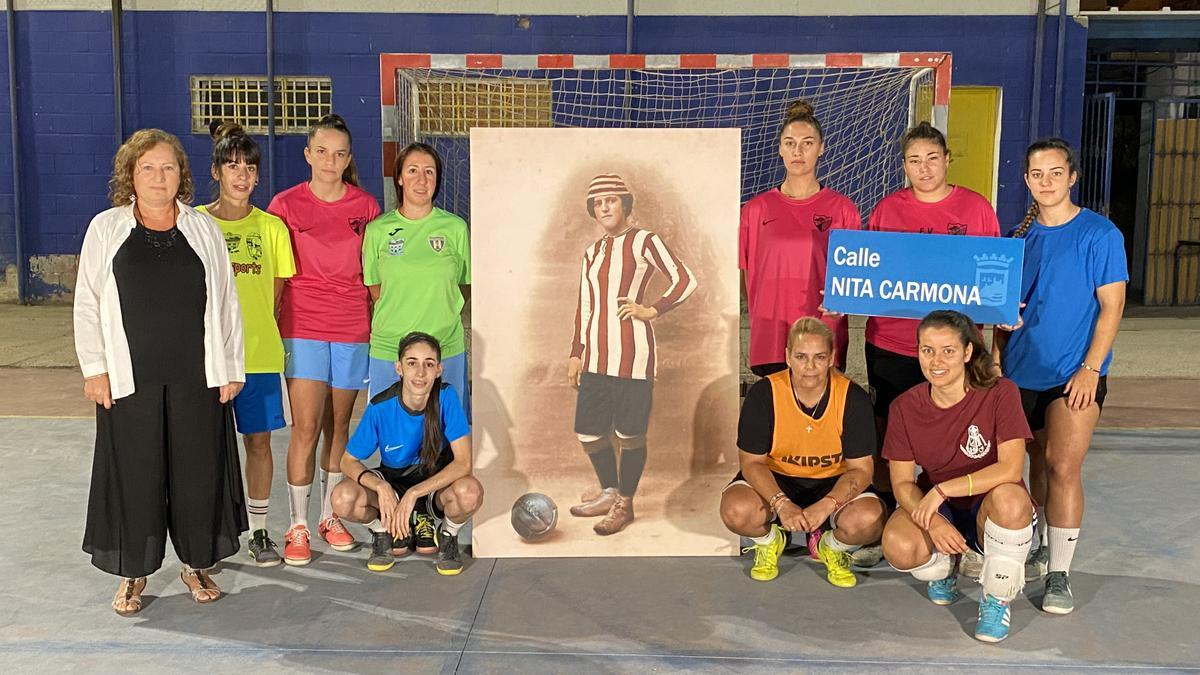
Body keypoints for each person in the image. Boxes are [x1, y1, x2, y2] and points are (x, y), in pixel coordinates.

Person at [75, 128, 246, 614]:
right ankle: (134, 573)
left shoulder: (202, 228)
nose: (158, 176)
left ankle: (195, 564)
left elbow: (226, 303)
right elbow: (87, 303)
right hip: (130, 378)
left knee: (197, 471)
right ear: (130, 174)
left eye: (168, 167)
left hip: (197, 373)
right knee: (136, 473)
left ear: (181, 176)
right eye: (147, 167)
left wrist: (230, 366)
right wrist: (95, 368)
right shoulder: (106, 228)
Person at [993, 138, 1127, 615]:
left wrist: (1091, 369)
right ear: (1027, 180)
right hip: (1019, 374)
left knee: (1063, 465)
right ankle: (1041, 544)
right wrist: (997, 353)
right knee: (1033, 465)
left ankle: (1059, 574)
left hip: (1076, 374)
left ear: (1072, 176)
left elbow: (1112, 306)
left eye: (1055, 173)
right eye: (1036, 174)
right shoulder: (1018, 239)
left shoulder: (1100, 234)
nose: (1045, 182)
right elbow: (1004, 313)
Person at [865, 122, 1001, 501]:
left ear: (947, 160)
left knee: (961, 434)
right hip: (893, 344)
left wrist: (996, 334)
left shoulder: (976, 209)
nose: (923, 168)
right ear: (903, 166)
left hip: (954, 349)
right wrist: (843, 296)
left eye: (932, 159)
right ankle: (892, 513)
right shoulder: (887, 210)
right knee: (890, 432)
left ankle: (963, 514)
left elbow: (993, 274)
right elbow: (868, 272)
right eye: (914, 160)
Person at [268, 114, 382, 565]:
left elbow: (374, 275)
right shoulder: (285, 205)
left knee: (339, 427)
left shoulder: (367, 207)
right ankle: (297, 524)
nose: (330, 160)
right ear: (308, 155)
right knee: (307, 427)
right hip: (303, 326)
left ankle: (328, 517)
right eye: (322, 151)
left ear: (348, 158)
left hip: (353, 328)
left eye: (339, 153)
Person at [881, 310, 1034, 643]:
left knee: (1010, 498)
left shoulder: (1000, 392)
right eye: (927, 350)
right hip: (944, 507)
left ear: (967, 352)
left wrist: (941, 490)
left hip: (991, 505)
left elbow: (1010, 468)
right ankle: (945, 565)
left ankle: (996, 598)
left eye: (948, 350)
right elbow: (902, 483)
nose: (936, 361)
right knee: (899, 545)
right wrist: (932, 522)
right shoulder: (904, 408)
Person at [566, 173, 697, 535]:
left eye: (611, 200)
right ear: (593, 210)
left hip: (634, 356)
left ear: (625, 204)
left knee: (629, 434)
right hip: (594, 358)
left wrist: (652, 309)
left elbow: (685, 279)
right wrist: (576, 353)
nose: (605, 207)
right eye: (598, 202)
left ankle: (626, 502)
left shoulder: (644, 241)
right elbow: (585, 306)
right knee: (589, 432)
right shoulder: (591, 253)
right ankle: (609, 491)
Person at [720, 317, 884, 587]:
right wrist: (781, 503)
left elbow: (862, 470)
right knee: (736, 511)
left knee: (870, 520)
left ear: (832, 357)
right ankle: (771, 540)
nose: (809, 367)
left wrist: (826, 505)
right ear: (787, 357)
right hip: (778, 477)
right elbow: (751, 463)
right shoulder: (765, 393)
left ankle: (832, 546)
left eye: (819, 357)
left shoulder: (852, 397)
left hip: (834, 480)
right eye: (801, 356)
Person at [197, 121, 296, 567]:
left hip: (256, 355)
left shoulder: (272, 228)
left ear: (257, 178)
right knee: (205, 448)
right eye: (232, 165)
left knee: (258, 444)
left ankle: (258, 532)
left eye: (250, 168)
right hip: (203, 361)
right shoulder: (194, 223)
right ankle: (209, 531)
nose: (241, 175)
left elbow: (274, 296)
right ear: (216, 170)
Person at [332, 332, 483, 575]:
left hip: (433, 484)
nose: (420, 372)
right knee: (343, 498)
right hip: (393, 481)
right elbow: (347, 461)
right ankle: (383, 531)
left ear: (439, 370)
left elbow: (464, 463)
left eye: (429, 364)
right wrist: (381, 489)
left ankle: (447, 534)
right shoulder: (381, 407)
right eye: (412, 363)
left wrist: (414, 495)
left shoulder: (446, 397)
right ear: (399, 368)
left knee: (470, 492)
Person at [740, 99, 861, 375]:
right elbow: (742, 276)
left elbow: (854, 281)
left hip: (821, 338)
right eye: (790, 142)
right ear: (780, 148)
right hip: (770, 337)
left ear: (821, 148)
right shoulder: (755, 209)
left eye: (807, 143)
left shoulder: (843, 209)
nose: (798, 151)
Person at [362, 142, 471, 416]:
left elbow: (463, 286)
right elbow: (376, 291)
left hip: (445, 347)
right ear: (399, 177)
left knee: (447, 440)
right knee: (394, 440)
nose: (421, 180)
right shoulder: (377, 231)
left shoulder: (456, 228)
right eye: (412, 171)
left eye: (429, 172)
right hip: (391, 349)